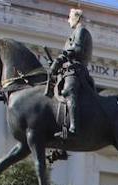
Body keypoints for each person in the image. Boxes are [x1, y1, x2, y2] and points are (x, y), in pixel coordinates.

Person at [48, 8, 95, 141]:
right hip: (68, 70)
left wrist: (60, 59)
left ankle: (74, 128)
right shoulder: (75, 32)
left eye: (70, 17)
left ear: (77, 18)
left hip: (76, 71)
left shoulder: (82, 31)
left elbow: (77, 49)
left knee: (69, 91)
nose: (68, 20)